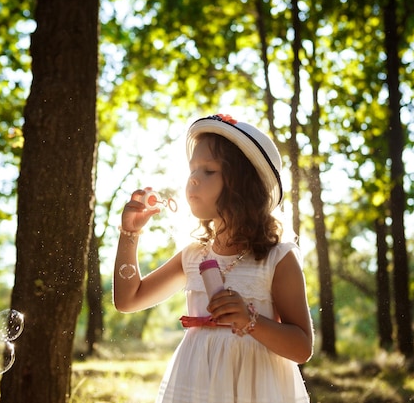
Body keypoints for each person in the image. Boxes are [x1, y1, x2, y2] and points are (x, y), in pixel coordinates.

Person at [113, 113, 313, 403]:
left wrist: (250, 320)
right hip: (197, 388)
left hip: (256, 390)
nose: (193, 179)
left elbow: (302, 347)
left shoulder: (276, 258)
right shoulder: (194, 254)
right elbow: (129, 300)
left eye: (208, 170)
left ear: (242, 184)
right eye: (192, 169)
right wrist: (129, 235)